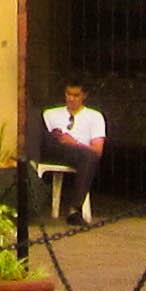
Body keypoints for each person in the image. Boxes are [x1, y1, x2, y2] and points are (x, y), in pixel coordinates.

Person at [36, 82, 106, 224]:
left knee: (89, 157)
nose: (71, 99)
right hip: (55, 151)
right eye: (68, 94)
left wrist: (74, 143)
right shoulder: (50, 114)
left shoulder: (95, 116)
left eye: (76, 95)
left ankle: (75, 209)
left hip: (81, 153)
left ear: (84, 96)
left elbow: (98, 150)